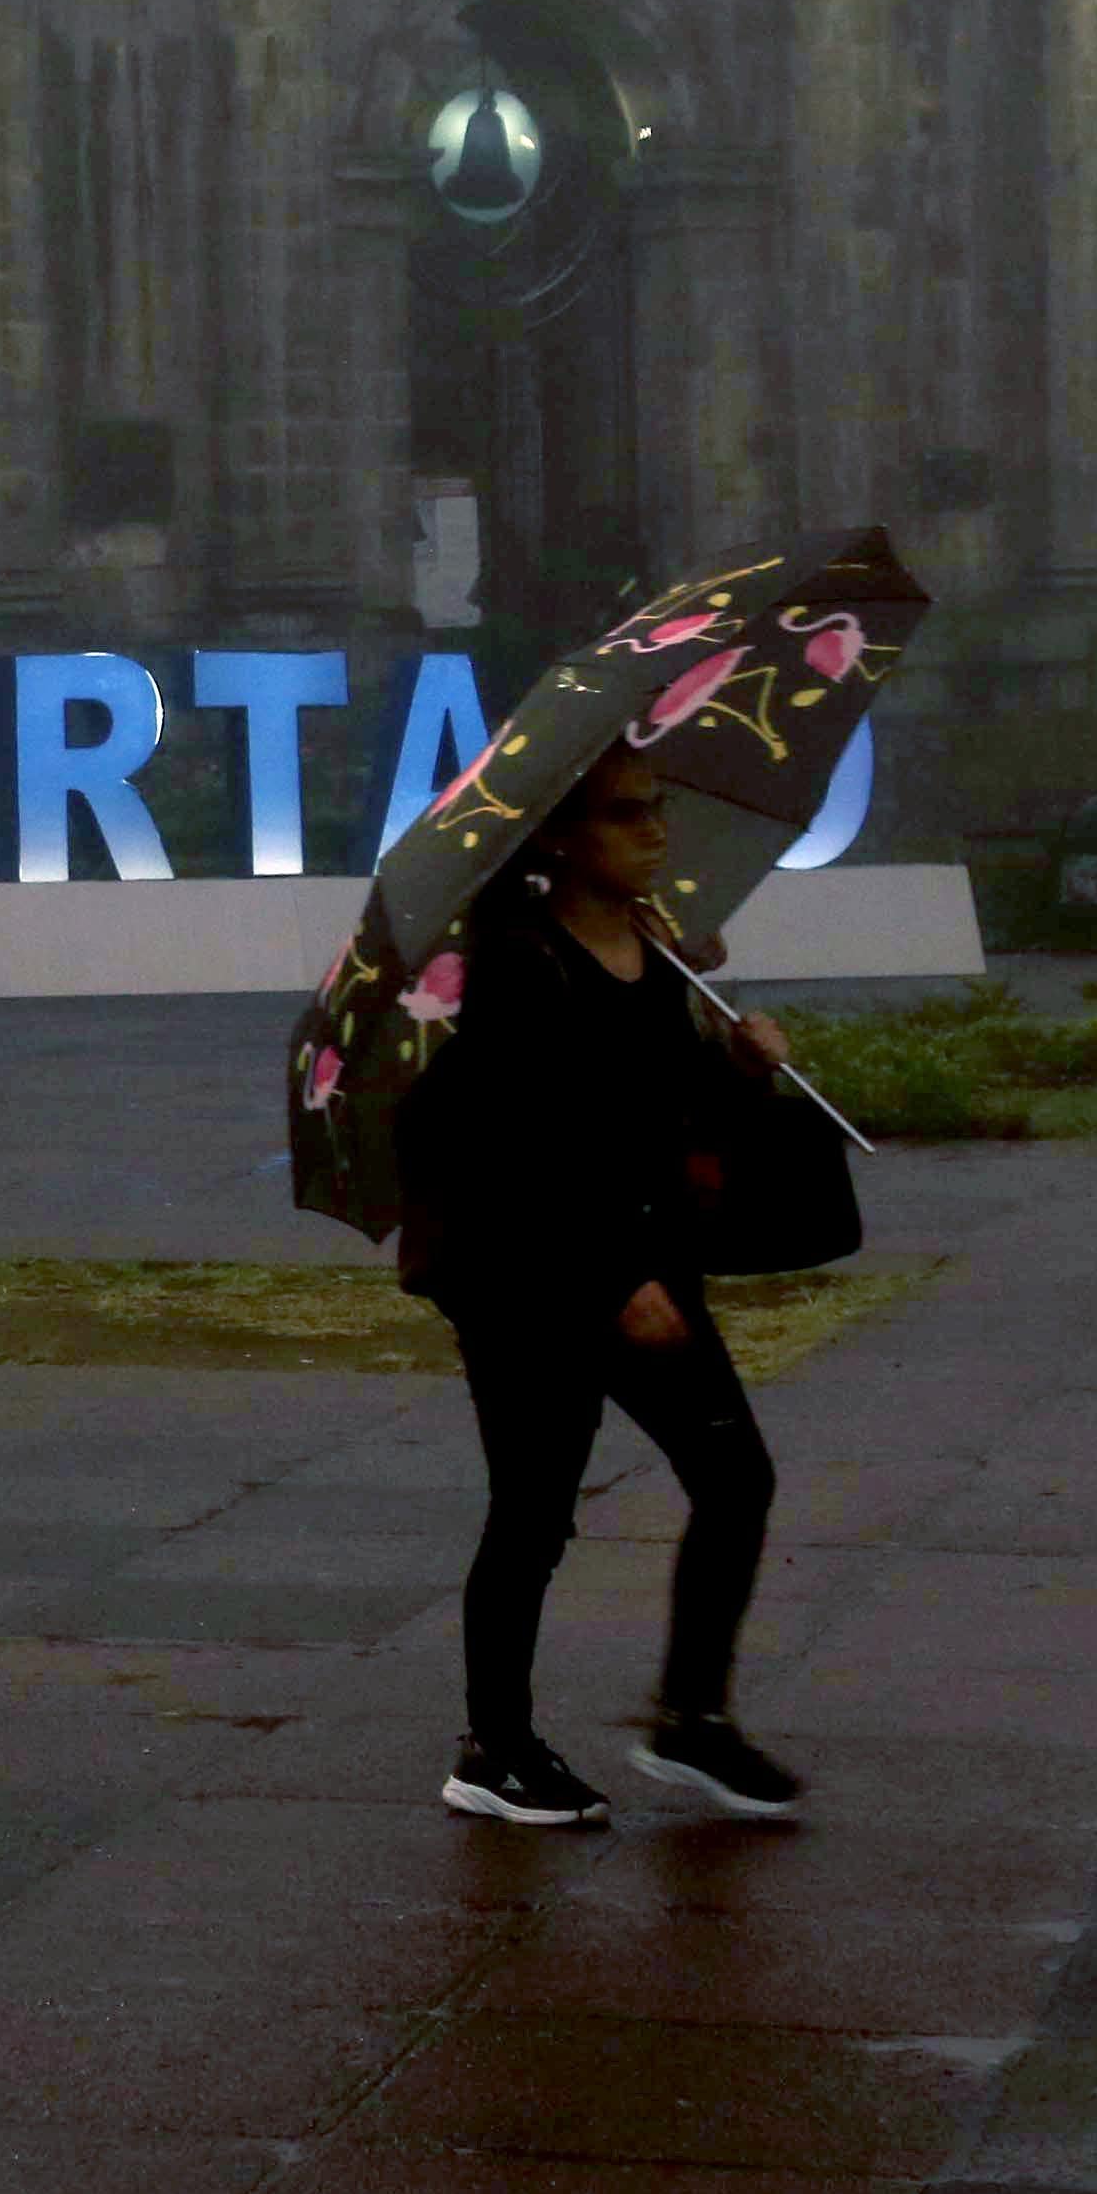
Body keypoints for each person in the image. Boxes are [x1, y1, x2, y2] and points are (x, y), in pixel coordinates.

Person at [392, 749, 808, 1827]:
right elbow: (519, 1151)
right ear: (566, 839)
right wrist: (613, 1278)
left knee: (735, 1476)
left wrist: (739, 1066)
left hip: (641, 1268)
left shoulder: (657, 953)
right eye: (627, 815)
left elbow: (654, 1114)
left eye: (656, 809)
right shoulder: (522, 967)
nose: (653, 831)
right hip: (533, 1282)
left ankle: (690, 1720)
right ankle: (493, 1748)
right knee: (532, 1515)